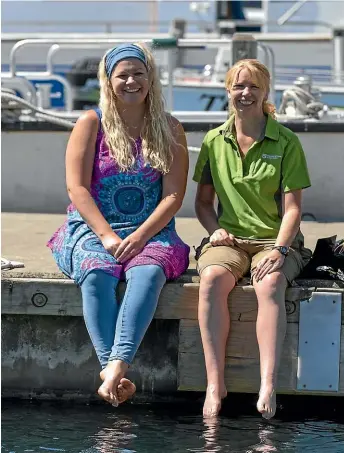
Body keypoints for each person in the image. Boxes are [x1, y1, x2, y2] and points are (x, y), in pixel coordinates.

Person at [47, 43, 190, 406]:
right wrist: (107, 236)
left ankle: (113, 371)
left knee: (147, 273)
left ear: (150, 77)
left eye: (138, 73)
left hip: (151, 229)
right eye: (122, 74)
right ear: (108, 81)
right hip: (94, 227)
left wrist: (142, 237)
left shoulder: (171, 127)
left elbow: (173, 196)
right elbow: (76, 187)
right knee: (98, 273)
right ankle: (113, 370)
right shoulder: (90, 123)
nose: (131, 81)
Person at [193, 59, 312, 419]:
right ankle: (215, 385)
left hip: (274, 240)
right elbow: (202, 203)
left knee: (270, 282)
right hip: (230, 241)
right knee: (211, 279)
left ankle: (268, 384)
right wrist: (214, 229)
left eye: (254, 87)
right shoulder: (214, 141)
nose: (246, 93)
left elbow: (293, 209)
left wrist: (279, 248)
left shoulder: (286, 141)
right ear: (227, 91)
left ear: (265, 92)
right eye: (238, 86)